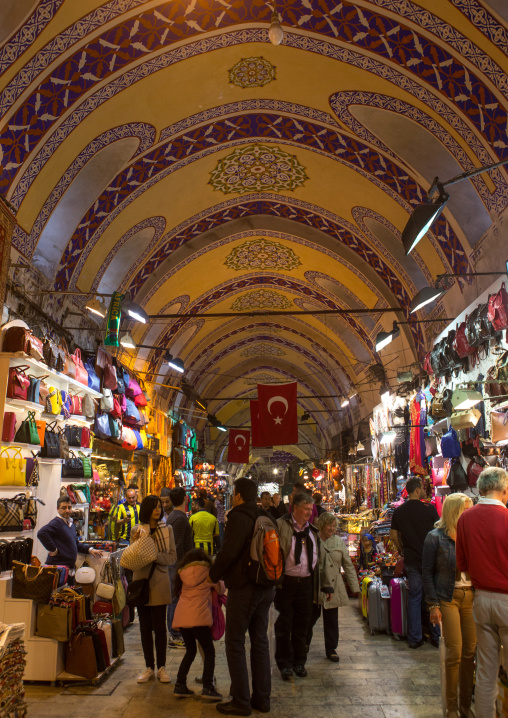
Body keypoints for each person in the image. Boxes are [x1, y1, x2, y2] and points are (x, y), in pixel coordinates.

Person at [209, 477, 275, 716]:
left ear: (237, 495)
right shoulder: (264, 516)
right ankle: (262, 699)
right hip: (265, 586)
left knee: (235, 641)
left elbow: (229, 552)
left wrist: (213, 575)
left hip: (245, 587)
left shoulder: (238, 517)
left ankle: (241, 701)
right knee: (259, 640)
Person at [456, 467, 508, 718]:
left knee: (487, 670)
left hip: (481, 599)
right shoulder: (506, 518)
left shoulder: (465, 518)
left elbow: (462, 563)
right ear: (504, 490)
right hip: (506, 600)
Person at [422, 493, 476, 718]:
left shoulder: (472, 535)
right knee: (454, 652)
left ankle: (466, 706)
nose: (469, 514)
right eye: (466, 509)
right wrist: (433, 604)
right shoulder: (435, 537)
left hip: (470, 596)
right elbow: (427, 572)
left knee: (469, 653)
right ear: (455, 511)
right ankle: (452, 708)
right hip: (448, 596)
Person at [275, 492, 332, 680]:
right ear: (295, 508)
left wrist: (325, 585)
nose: (309, 512)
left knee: (303, 624)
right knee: (284, 624)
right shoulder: (281, 526)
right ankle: (284, 663)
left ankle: (299, 661)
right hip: (287, 584)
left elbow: (320, 561)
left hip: (306, 584)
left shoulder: (313, 532)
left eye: (311, 509)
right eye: (306, 509)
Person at [389, 476, 440, 649]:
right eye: (423, 487)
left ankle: (415, 638)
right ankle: (436, 637)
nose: (425, 490)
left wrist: (402, 549)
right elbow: (438, 531)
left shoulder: (400, 511)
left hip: (411, 559)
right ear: (417, 490)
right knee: (432, 598)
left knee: (415, 597)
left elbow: (393, 535)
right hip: (430, 560)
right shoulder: (429, 509)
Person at [132, 494, 177, 684]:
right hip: (141, 583)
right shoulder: (137, 530)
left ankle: (162, 667)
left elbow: (172, 557)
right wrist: (139, 546)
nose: (158, 509)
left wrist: (155, 556)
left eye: (160, 506)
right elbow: (131, 557)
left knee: (159, 628)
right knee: (144, 628)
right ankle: (149, 666)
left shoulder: (168, 530)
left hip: (159, 581)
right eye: (154, 506)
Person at [306, 512, 359, 662]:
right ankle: (304, 644)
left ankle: (331, 649)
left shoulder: (338, 542)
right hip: (316, 585)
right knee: (310, 618)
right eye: (329, 525)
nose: (332, 528)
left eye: (334, 525)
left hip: (333, 585)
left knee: (331, 620)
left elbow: (347, 564)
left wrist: (355, 587)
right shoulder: (314, 540)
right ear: (322, 525)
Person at [172, 548, 224, 700]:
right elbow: (221, 589)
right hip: (199, 618)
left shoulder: (182, 573)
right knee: (209, 651)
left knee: (190, 650)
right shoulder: (208, 572)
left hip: (183, 618)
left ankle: (180, 684)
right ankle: (208, 687)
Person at [38, 496, 104, 575]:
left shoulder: (70, 524)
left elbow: (76, 543)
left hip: (68, 569)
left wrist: (90, 550)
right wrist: (53, 549)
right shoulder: (56, 523)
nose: (67, 510)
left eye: (69, 507)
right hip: (57, 569)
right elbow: (41, 533)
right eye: (64, 508)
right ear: (57, 509)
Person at [166, 487, 194, 649]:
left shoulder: (174, 517)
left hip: (177, 565)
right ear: (185, 498)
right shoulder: (180, 518)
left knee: (175, 598)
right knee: (175, 599)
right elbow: (177, 546)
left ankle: (177, 631)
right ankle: (175, 634)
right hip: (177, 565)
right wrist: (182, 567)